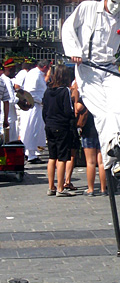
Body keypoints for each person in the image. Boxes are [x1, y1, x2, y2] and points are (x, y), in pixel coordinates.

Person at [62, 0, 120, 172]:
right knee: (103, 114)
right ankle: (110, 160)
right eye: (114, 2)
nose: (116, 7)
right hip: (87, 69)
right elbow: (68, 28)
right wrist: (75, 51)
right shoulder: (87, 8)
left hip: (110, 68)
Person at [42, 65, 75, 197]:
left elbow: (44, 111)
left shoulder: (47, 90)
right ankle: (60, 187)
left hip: (49, 124)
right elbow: (68, 110)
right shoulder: (65, 91)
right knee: (62, 157)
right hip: (61, 126)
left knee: (52, 156)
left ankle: (51, 186)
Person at [20, 59, 51, 163]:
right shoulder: (35, 75)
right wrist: (41, 101)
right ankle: (31, 154)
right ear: (45, 67)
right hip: (34, 105)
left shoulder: (35, 73)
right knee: (32, 129)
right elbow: (31, 92)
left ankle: (29, 152)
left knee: (33, 129)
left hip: (36, 105)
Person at [76, 98, 107, 197]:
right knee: (102, 162)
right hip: (103, 130)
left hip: (88, 130)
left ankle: (91, 189)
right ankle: (103, 189)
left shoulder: (87, 95)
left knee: (90, 162)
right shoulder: (104, 96)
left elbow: (78, 108)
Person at [1, 57, 19, 142]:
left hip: (6, 116)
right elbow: (11, 99)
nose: (15, 72)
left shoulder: (3, 79)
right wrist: (21, 100)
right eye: (14, 69)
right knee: (10, 142)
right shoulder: (6, 81)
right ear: (10, 69)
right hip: (8, 117)